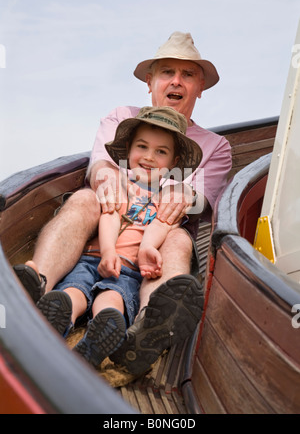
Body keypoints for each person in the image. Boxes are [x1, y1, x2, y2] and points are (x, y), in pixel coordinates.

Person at [14, 31, 232, 375]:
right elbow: (101, 165)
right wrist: (108, 176)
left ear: (200, 86)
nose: (176, 81)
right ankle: (37, 285)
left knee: (177, 235)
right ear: (150, 81)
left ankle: (147, 327)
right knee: (88, 197)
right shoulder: (122, 118)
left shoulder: (215, 145)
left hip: (154, 245)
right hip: (104, 223)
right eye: (167, 72)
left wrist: (184, 194)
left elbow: (203, 196)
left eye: (188, 74)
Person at [35, 106, 203, 369]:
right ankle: (61, 316)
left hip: (128, 270)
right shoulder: (118, 186)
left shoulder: (168, 199)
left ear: (173, 163)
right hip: (93, 257)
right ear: (128, 150)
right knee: (74, 288)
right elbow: (110, 215)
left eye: (161, 152)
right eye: (142, 147)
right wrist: (108, 250)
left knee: (113, 298)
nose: (149, 157)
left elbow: (161, 225)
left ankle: (101, 333)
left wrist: (147, 246)